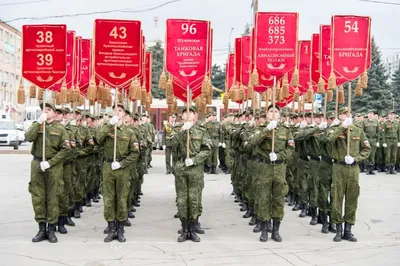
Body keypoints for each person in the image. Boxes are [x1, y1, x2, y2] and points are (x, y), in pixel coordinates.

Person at [25, 103, 71, 243]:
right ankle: (41, 229)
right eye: (44, 110)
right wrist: (38, 122)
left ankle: (51, 229)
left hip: (53, 166)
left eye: (49, 110)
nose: (46, 112)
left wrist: (51, 162)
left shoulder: (60, 129)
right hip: (37, 164)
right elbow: (28, 137)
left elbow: (66, 149)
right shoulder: (37, 125)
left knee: (53, 197)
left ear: (53, 113)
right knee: (38, 197)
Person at [248, 105, 294, 242]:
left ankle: (276, 230)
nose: (273, 114)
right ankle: (264, 229)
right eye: (271, 111)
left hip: (279, 168)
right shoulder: (261, 128)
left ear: (280, 115)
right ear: (267, 115)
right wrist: (267, 129)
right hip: (265, 167)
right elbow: (252, 142)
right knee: (263, 198)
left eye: (276, 112)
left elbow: (291, 148)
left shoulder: (286, 130)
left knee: (278, 199)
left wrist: (279, 156)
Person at [327, 107, 371, 242]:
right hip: (339, 167)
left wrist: (356, 159)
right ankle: (338, 228)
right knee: (337, 198)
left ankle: (348, 229)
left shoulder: (358, 130)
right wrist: (341, 127)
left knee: (352, 198)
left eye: (347, 114)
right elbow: (328, 140)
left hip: (353, 168)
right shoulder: (334, 129)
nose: (345, 116)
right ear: (339, 116)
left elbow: (366, 149)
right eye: (343, 114)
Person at [98, 103, 140, 243]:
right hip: (108, 166)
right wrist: (109, 125)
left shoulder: (129, 132)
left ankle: (120, 229)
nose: (117, 112)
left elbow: (135, 153)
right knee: (109, 199)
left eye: (120, 110)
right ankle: (111, 228)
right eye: (115, 110)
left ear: (124, 114)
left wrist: (122, 164)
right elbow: (98, 139)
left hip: (122, 168)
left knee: (122, 199)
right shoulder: (107, 128)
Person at [171, 105, 212, 242]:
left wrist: (194, 160)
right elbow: (171, 143)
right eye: (185, 113)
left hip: (195, 169)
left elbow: (207, 149)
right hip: (181, 168)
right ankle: (185, 229)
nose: (188, 115)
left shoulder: (201, 131)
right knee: (182, 200)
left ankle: (193, 228)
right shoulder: (176, 129)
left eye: (191, 113)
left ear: (195, 116)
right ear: (181, 116)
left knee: (194, 200)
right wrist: (183, 131)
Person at [362, 110, 380, 175]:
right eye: (369, 113)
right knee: (367, 154)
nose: (371, 115)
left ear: (373, 115)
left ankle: (371, 169)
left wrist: (377, 141)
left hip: (374, 140)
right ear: (367, 114)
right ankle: (367, 169)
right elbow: (362, 132)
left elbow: (378, 132)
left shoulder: (376, 122)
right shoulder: (364, 122)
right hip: (367, 140)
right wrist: (363, 140)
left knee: (372, 155)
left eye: (372, 114)